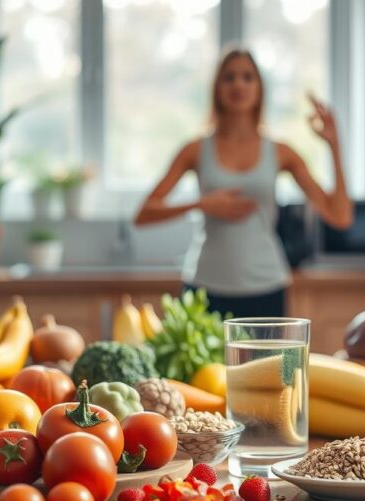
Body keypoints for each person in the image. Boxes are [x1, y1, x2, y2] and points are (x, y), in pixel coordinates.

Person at [134, 47, 353, 318]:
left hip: (266, 287)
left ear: (259, 88)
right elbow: (143, 214)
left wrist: (334, 146)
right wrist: (202, 203)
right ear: (217, 88)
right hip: (204, 287)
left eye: (248, 77)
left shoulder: (281, 151)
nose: (239, 84)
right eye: (229, 77)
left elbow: (340, 216)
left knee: (276, 363)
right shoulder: (194, 150)